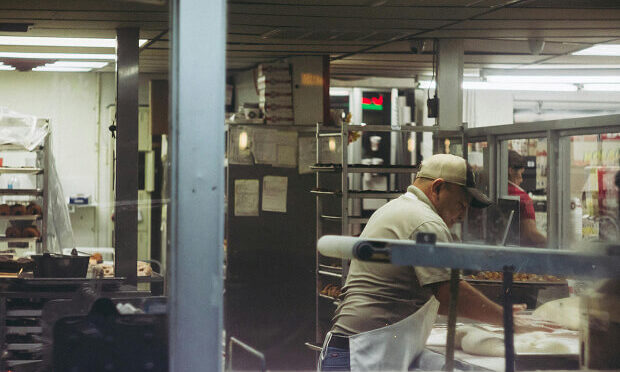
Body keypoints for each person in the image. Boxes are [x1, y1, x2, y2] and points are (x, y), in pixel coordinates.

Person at [318, 154, 556, 371]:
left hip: (354, 350)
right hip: (362, 356)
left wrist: (494, 312)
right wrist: (506, 320)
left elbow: (433, 297)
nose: (462, 215)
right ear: (438, 187)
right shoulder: (425, 222)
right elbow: (449, 294)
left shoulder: (400, 208)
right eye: (461, 204)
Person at [508, 150, 547, 247]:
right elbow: (531, 235)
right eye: (521, 174)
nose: (521, 180)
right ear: (511, 170)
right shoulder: (523, 198)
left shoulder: (488, 192)